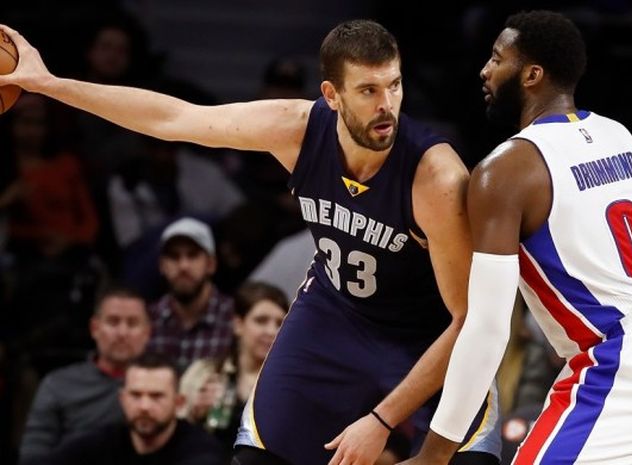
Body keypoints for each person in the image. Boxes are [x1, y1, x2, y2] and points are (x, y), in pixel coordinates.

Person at [0, 20, 501, 465]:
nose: (386, 105)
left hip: (427, 336)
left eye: (394, 85)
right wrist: (48, 84)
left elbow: (467, 320)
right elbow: (173, 119)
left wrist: (382, 420)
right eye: (368, 90)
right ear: (331, 95)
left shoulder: (436, 177)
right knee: (255, 455)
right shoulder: (296, 129)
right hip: (335, 314)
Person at [399, 10, 632, 465]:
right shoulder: (627, 140)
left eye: (497, 58)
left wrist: (434, 453)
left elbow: (487, 328)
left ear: (532, 74)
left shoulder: (505, 171)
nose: (484, 69)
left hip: (622, 360)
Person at [19, 285, 151, 465]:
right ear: (94, 328)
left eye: (132, 323)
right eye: (113, 322)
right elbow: (33, 455)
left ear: (147, 332)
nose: (122, 333)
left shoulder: (173, 384)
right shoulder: (58, 385)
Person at [49, 352, 225, 465]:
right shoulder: (100, 442)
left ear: (178, 402)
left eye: (156, 396)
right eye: (135, 395)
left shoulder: (201, 450)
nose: (144, 406)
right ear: (122, 398)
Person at [179, 281, 288, 451]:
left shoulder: (291, 381)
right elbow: (171, 429)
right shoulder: (204, 372)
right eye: (261, 321)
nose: (271, 331)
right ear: (238, 324)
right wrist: (194, 413)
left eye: (280, 323)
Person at [147, 217, 235, 372]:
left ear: (211, 264)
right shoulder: (147, 319)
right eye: (174, 256)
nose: (183, 266)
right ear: (161, 265)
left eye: (192, 255)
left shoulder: (234, 319)